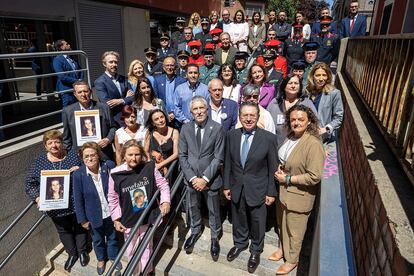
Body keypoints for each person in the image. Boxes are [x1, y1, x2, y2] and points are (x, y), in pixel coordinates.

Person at [223, 102, 278, 274]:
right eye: (245, 115)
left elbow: (272, 168)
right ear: (239, 117)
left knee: (257, 221)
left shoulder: (269, 138)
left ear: (258, 117)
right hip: (236, 186)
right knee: (238, 218)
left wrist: (271, 191)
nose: (248, 119)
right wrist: (226, 185)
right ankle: (240, 243)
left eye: (252, 115)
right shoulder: (231, 135)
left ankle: (255, 250)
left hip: (259, 188)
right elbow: (228, 163)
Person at [25, 130, 88, 272]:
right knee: (63, 230)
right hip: (55, 207)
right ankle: (72, 254)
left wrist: (81, 169)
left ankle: (83, 251)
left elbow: (88, 167)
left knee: (80, 226)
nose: (54, 145)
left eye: (57, 142)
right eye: (50, 143)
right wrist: (38, 197)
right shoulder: (39, 162)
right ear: (45, 146)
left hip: (75, 202)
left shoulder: (72, 155)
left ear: (62, 143)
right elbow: (29, 183)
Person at [272, 105, 325, 275]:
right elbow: (288, 160)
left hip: (299, 195)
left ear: (309, 121)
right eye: (293, 119)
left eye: (300, 119)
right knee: (283, 225)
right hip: (284, 192)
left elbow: (314, 176)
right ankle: (282, 250)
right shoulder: (291, 136)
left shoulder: (313, 144)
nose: (296, 123)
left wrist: (288, 178)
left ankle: (292, 261)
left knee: (295, 232)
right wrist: (281, 168)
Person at [108, 140, 171, 274]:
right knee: (130, 248)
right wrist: (116, 218)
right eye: (130, 154)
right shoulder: (115, 173)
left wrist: (165, 201)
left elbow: (163, 185)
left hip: (147, 216)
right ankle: (135, 272)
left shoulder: (149, 167)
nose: (134, 158)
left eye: (137, 154)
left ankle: (146, 271)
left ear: (141, 155)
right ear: (124, 155)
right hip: (128, 218)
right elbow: (112, 198)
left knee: (147, 247)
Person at [178, 96, 225, 260]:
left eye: (201, 108)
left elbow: (218, 157)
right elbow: (182, 156)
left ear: (207, 109)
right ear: (191, 112)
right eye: (195, 109)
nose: (199, 111)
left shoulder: (218, 128)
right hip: (191, 179)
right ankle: (195, 231)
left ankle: (214, 237)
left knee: (213, 210)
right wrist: (192, 178)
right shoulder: (185, 129)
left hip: (210, 180)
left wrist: (204, 178)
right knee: (193, 207)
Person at [72, 142, 121, 275]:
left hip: (111, 212)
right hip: (92, 215)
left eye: (92, 155)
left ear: (98, 155)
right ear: (82, 158)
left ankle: (113, 257)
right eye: (86, 156)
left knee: (112, 237)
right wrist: (82, 220)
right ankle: (101, 259)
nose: (90, 158)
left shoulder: (109, 166)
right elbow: (78, 199)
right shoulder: (78, 175)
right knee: (97, 240)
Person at [62, 80, 116, 161]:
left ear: (90, 92)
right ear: (75, 94)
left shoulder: (104, 107)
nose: (83, 95)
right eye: (80, 92)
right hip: (80, 156)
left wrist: (108, 139)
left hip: (103, 153)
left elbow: (113, 128)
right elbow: (67, 137)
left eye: (85, 91)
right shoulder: (68, 111)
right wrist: (70, 156)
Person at [267, 74, 317, 146]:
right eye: (290, 83)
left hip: (299, 148)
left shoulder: (307, 103)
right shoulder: (275, 103)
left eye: (296, 83)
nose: (293, 86)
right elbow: (266, 125)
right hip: (276, 147)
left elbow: (315, 126)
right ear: (284, 86)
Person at [305, 63, 344, 142]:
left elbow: (338, 117)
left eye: (324, 75)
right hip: (305, 134)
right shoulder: (307, 91)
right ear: (312, 76)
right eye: (318, 75)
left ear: (328, 77)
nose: (321, 78)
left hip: (322, 137)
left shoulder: (333, 93)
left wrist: (326, 129)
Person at [95, 51, 134, 126]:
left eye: (115, 62)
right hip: (114, 119)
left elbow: (133, 97)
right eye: (111, 62)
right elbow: (107, 103)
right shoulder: (100, 82)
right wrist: (126, 99)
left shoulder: (124, 79)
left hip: (129, 116)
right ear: (104, 64)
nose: (114, 64)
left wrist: (121, 100)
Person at [153, 57, 187, 128]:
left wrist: (175, 113)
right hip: (163, 117)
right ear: (163, 67)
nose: (169, 67)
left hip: (178, 118)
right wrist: (164, 113)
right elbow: (156, 99)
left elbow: (184, 101)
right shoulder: (157, 80)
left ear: (175, 66)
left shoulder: (182, 81)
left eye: (172, 65)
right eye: (167, 65)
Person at [144, 109, 179, 175]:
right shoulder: (150, 133)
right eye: (156, 119)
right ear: (153, 123)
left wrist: (161, 165)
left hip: (171, 168)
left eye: (162, 117)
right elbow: (145, 151)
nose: (160, 120)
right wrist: (151, 164)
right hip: (154, 168)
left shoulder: (174, 132)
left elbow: (176, 154)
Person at [53, 39, 83, 107]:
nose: (69, 45)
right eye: (67, 44)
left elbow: (80, 69)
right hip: (66, 90)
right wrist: (77, 81)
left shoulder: (72, 57)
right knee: (67, 111)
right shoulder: (57, 60)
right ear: (62, 47)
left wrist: (80, 80)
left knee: (78, 108)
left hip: (77, 88)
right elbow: (62, 76)